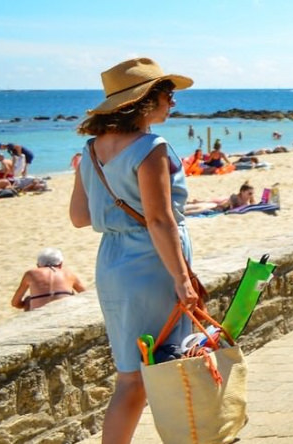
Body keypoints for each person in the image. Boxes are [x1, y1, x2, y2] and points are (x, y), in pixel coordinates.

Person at [68, 57, 196, 443]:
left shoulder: (92, 150)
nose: (172, 103)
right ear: (145, 100)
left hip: (113, 263)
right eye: (167, 95)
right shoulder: (151, 147)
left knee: (131, 375)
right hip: (152, 264)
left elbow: (78, 216)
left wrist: (117, 209)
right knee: (167, 368)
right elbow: (160, 221)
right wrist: (182, 279)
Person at [11, 248, 86, 311]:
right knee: (70, 293)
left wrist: (28, 303)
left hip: (39, 313)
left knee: (28, 299)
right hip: (64, 311)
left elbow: (15, 303)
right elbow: (85, 294)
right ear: (61, 264)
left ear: (38, 265)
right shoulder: (68, 274)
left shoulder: (31, 274)